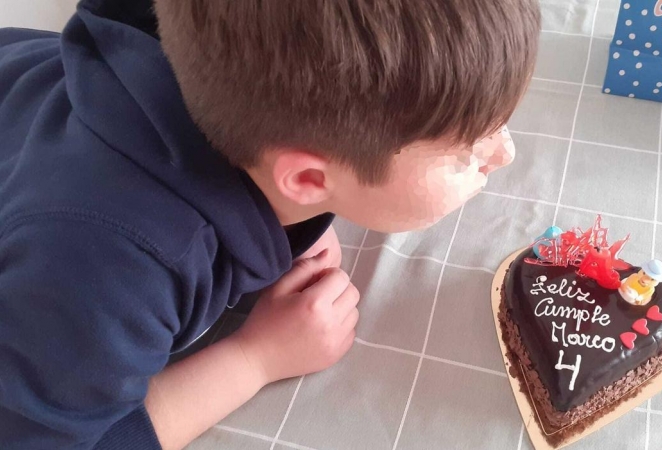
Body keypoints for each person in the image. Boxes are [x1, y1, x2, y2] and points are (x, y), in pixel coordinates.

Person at [0, 0, 540, 448]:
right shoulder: (107, 272)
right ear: (305, 177)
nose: (503, 156)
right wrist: (254, 358)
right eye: (467, 149)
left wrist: (291, 223)